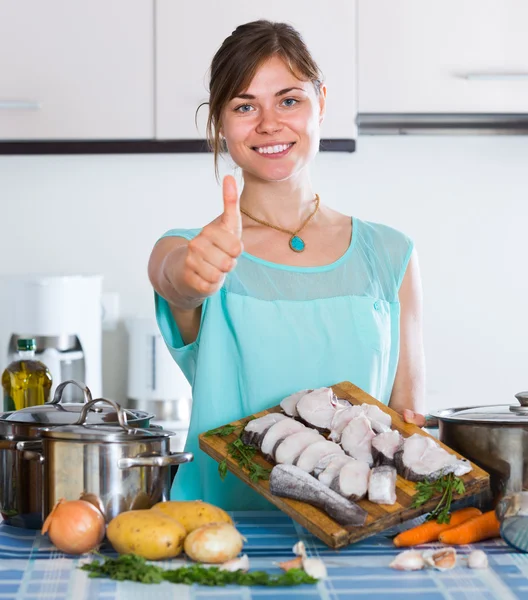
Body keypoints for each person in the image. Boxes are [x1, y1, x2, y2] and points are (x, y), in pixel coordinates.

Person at [148, 20, 426, 510]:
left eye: (289, 100)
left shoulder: (391, 253)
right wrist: (190, 276)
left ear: (322, 101)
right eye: (244, 106)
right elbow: (176, 279)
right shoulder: (192, 248)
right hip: (222, 541)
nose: (269, 123)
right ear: (219, 123)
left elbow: (406, 418)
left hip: (359, 544)